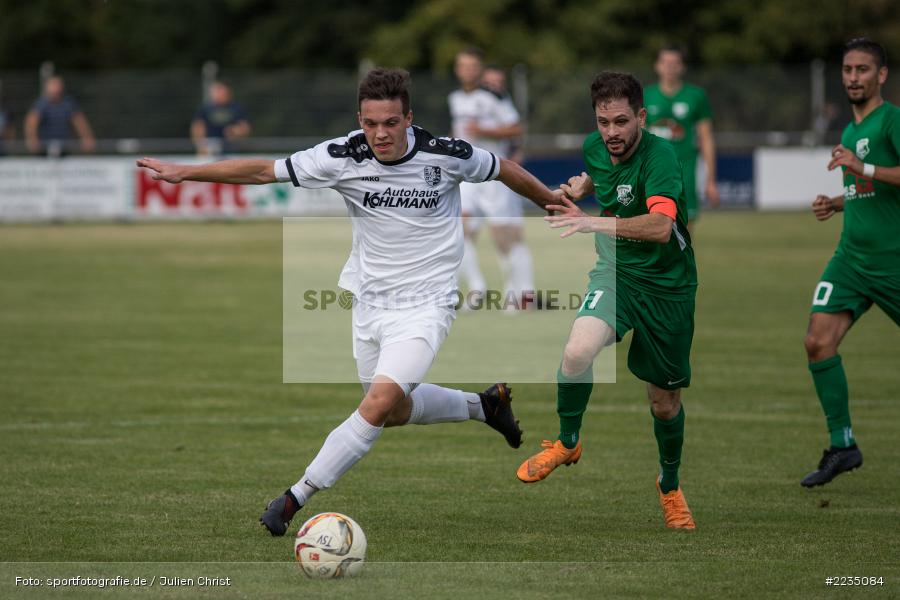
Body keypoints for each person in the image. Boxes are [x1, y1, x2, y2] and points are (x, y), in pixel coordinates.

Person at [137, 68, 562, 536]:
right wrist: (187, 172)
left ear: (409, 118)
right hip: (368, 304)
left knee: (378, 404)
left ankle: (294, 497)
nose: (380, 133)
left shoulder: (446, 154)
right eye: (371, 123)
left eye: (391, 123)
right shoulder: (341, 156)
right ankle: (484, 406)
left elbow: (506, 170)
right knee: (395, 410)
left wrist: (555, 205)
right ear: (360, 118)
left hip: (427, 303)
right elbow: (264, 170)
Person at [515, 72, 698, 530]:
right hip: (615, 272)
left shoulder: (663, 156)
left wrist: (591, 221)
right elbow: (607, 181)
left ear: (641, 116)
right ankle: (568, 441)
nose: (611, 133)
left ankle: (670, 486)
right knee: (577, 351)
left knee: (664, 403)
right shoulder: (595, 147)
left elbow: (659, 227)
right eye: (603, 122)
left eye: (620, 121)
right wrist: (583, 188)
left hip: (668, 288)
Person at [801, 38, 900, 488]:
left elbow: (877, 176)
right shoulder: (847, 133)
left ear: (881, 75)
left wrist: (862, 169)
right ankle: (843, 446)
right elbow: (870, 191)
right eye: (847, 69)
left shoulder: (892, 120)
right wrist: (838, 203)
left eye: (863, 70)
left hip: (893, 260)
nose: (853, 78)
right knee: (818, 342)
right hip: (851, 262)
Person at [449, 48, 536, 310]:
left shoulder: (494, 96)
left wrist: (486, 131)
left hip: (493, 175)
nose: (468, 71)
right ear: (457, 69)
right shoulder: (454, 98)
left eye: (473, 66)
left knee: (505, 237)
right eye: (463, 66)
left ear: (479, 69)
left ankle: (519, 295)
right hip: (466, 176)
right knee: (457, 233)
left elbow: (516, 127)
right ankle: (477, 289)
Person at [644, 46, 719, 232]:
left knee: (686, 225)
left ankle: (681, 260)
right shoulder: (645, 95)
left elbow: (706, 138)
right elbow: (639, 138)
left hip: (685, 168)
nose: (669, 68)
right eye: (665, 63)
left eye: (674, 63)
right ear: (657, 66)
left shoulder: (696, 96)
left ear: (682, 67)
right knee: (653, 222)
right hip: (655, 169)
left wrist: (711, 180)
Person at [24, 76, 95, 156]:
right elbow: (32, 121)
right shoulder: (42, 104)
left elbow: (79, 121)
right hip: (44, 146)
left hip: (64, 145)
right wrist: (32, 139)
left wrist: (86, 137)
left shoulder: (68, 104)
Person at [191, 81, 251, 156]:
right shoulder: (205, 108)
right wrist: (201, 146)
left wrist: (236, 131)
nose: (217, 93)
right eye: (215, 90)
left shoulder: (237, 108)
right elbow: (198, 127)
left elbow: (245, 128)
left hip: (232, 147)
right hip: (211, 146)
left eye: (220, 90)